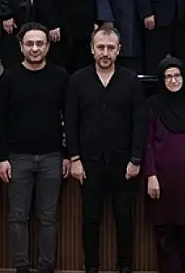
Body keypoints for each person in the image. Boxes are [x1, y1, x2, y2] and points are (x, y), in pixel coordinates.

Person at [65, 27, 147, 273]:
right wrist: (75, 158)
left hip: (123, 162)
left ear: (119, 50)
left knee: (124, 216)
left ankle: (125, 267)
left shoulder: (131, 81)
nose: (105, 52)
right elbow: (70, 121)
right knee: (90, 217)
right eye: (100, 47)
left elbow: (139, 122)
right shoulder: (77, 80)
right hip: (88, 162)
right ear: (92, 49)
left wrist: (136, 158)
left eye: (111, 48)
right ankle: (91, 267)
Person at [0, 23, 70, 273]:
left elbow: (69, 119)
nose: (35, 48)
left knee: (48, 218)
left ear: (48, 46)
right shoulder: (8, 77)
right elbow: (0, 122)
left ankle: (46, 267)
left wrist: (68, 155)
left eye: (40, 44)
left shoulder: (60, 76)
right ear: (21, 47)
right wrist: (1, 158)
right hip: (17, 159)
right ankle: (22, 267)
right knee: (18, 218)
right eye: (30, 44)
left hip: (52, 158)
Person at [144, 57, 185, 273]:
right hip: (163, 180)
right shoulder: (153, 105)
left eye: (177, 75)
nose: (173, 80)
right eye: (168, 76)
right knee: (166, 233)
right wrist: (150, 174)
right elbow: (147, 142)